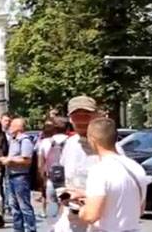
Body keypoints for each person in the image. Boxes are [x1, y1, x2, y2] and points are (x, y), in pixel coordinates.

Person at [54, 96, 125, 232]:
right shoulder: (69, 144)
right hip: (71, 219)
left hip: (99, 222)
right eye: (76, 116)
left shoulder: (112, 150)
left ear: (96, 116)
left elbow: (121, 191)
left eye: (86, 115)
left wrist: (85, 195)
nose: (81, 121)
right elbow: (66, 183)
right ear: (70, 119)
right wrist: (63, 203)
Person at [66, 117, 147, 231]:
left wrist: (81, 209)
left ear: (92, 139)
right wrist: (87, 195)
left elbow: (91, 216)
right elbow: (140, 208)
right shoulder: (136, 168)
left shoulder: (99, 171)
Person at [0, 117, 36, 232]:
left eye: (12, 125)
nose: (9, 127)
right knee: (14, 207)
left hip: (20, 177)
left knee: (24, 206)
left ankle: (31, 229)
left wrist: (10, 160)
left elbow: (27, 160)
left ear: (18, 127)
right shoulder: (13, 140)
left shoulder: (24, 140)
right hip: (10, 176)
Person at [38, 118, 68, 222]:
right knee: (65, 203)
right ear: (67, 129)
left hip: (50, 178)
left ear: (53, 129)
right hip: (66, 179)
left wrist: (43, 179)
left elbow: (40, 163)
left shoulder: (45, 142)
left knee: (53, 202)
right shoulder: (72, 142)